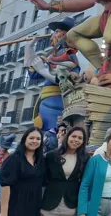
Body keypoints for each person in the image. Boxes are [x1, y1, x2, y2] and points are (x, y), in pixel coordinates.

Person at [24, 17, 80, 145]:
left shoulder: (69, 55)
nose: (53, 35)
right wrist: (28, 49)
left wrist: (43, 70)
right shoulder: (52, 57)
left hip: (57, 105)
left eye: (57, 31)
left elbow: (66, 79)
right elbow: (33, 75)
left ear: (67, 35)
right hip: (44, 105)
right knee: (42, 136)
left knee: (52, 139)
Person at [78, 127, 111, 216]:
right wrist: (82, 211)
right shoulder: (95, 160)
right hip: (97, 203)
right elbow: (85, 185)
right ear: (108, 141)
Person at [41, 126, 89, 216]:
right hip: (49, 205)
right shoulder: (51, 156)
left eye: (80, 138)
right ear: (67, 137)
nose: (76, 140)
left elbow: (84, 183)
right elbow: (43, 180)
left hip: (70, 206)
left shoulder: (84, 158)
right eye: (73, 136)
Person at [0, 127, 45, 216]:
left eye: (38, 139)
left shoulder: (41, 160)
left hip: (33, 205)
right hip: (15, 204)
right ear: (25, 139)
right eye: (31, 138)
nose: (35, 141)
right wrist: (4, 212)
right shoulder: (14, 159)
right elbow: (5, 186)